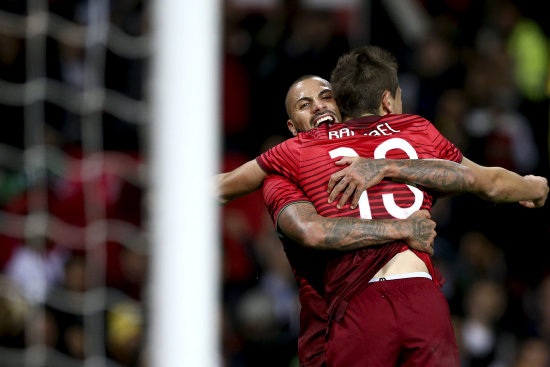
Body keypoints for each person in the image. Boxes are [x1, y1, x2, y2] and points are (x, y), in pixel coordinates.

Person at [217, 49, 548, 366]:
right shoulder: (416, 129)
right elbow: (482, 181)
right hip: (420, 299)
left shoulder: (298, 151)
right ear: (389, 101)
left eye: (325, 97)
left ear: (344, 102)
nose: (318, 108)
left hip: (359, 304)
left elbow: (221, 188)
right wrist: (532, 185)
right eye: (305, 104)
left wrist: (385, 166)